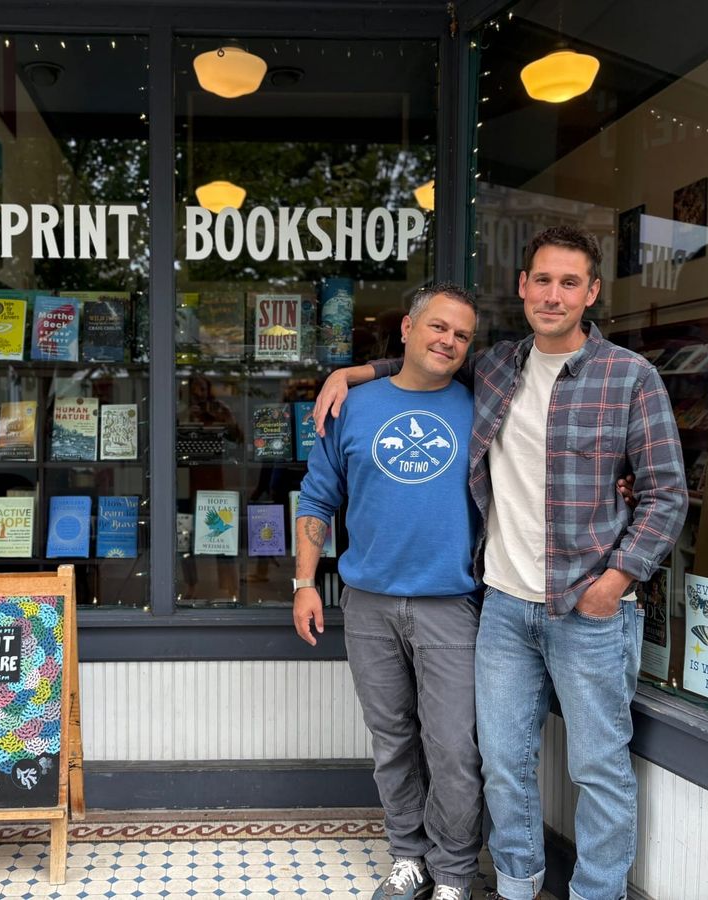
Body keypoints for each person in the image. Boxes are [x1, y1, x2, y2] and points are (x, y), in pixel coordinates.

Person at [314, 225, 687, 900]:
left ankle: (596, 893)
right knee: (502, 765)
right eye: (541, 279)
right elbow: (425, 361)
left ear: (592, 292)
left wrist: (617, 580)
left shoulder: (630, 378)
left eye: (569, 282)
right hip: (505, 607)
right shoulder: (497, 368)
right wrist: (352, 372)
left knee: (598, 768)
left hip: (591, 607)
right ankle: (518, 886)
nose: (553, 294)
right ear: (522, 287)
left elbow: (665, 494)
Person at [295, 283, 485, 900]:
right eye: (438, 327)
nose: (448, 341)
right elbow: (319, 498)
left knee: (454, 746)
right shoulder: (353, 406)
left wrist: (351, 368)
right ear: (407, 328)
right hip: (369, 604)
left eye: (460, 335)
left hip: (450, 604)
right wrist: (304, 582)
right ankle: (409, 856)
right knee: (392, 741)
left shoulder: (482, 403)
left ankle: (454, 871)